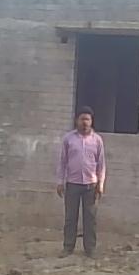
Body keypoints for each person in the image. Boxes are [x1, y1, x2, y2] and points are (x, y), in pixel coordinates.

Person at [56, 106, 106, 258]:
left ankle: (90, 249)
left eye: (88, 119)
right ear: (76, 120)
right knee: (70, 218)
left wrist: (101, 184)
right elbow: (62, 162)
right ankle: (68, 247)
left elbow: (101, 164)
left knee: (90, 219)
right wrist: (60, 182)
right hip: (72, 184)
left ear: (91, 121)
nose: (85, 122)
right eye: (82, 119)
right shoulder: (68, 139)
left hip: (91, 185)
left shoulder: (97, 140)